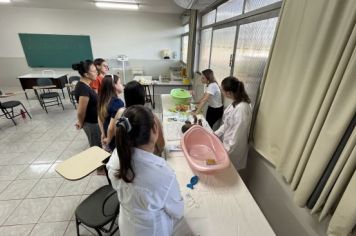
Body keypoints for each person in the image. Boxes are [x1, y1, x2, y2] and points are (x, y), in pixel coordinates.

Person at [106, 105, 184, 236]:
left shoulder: (115, 158)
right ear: (154, 129)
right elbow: (178, 211)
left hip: (127, 225)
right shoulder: (161, 173)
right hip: (152, 230)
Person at [115, 80, 165, 156]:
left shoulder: (120, 113)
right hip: (147, 160)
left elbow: (117, 135)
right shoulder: (151, 116)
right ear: (143, 97)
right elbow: (161, 145)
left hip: (125, 157)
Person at [214, 76, 252, 170]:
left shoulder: (242, 109)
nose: (222, 92)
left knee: (231, 173)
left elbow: (237, 135)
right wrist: (215, 134)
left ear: (229, 93)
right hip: (227, 145)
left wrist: (226, 151)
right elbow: (227, 123)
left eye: (222, 90)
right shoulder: (235, 103)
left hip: (233, 150)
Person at [72, 60, 101, 147]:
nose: (97, 73)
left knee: (98, 145)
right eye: (94, 71)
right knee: (96, 147)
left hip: (94, 122)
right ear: (86, 74)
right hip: (91, 123)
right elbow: (81, 111)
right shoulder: (83, 88)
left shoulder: (86, 85)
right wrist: (80, 122)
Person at [98, 74, 125, 152]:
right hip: (113, 137)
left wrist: (103, 133)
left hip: (106, 132)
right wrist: (109, 139)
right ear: (114, 85)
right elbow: (112, 126)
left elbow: (99, 118)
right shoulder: (117, 103)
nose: (122, 85)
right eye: (120, 83)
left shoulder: (102, 99)